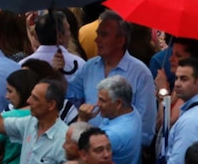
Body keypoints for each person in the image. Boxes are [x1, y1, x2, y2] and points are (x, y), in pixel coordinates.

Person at [67, 11, 156, 146]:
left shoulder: (140, 73)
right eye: (97, 34)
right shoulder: (89, 67)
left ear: (120, 41)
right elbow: (71, 96)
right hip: (88, 149)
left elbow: (146, 128)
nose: (97, 40)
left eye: (104, 35)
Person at [0, 79, 68, 164]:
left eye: (35, 98)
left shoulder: (64, 141)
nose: (28, 101)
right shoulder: (29, 123)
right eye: (31, 95)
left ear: (51, 105)